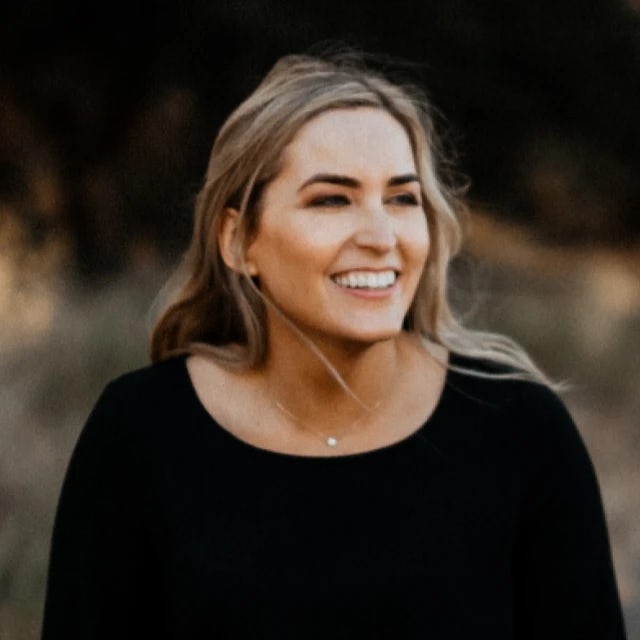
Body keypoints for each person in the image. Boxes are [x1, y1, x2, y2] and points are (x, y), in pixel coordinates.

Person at [41, 53, 627, 639]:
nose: (380, 237)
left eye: (402, 198)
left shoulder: (521, 432)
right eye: (331, 200)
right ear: (239, 240)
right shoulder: (140, 434)